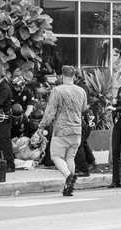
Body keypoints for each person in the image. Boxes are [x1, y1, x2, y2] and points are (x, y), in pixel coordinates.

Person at [36, 65, 87, 196]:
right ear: (74, 76)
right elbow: (83, 108)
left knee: (56, 156)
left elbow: (50, 112)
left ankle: (69, 176)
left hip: (61, 130)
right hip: (76, 129)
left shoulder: (57, 91)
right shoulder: (81, 91)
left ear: (62, 76)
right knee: (70, 157)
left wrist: (41, 126)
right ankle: (68, 186)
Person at [74, 68, 96, 177]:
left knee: (79, 143)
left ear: (76, 76)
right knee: (83, 141)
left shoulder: (83, 87)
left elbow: (85, 105)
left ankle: (83, 168)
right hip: (83, 116)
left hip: (84, 117)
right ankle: (91, 161)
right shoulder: (78, 86)